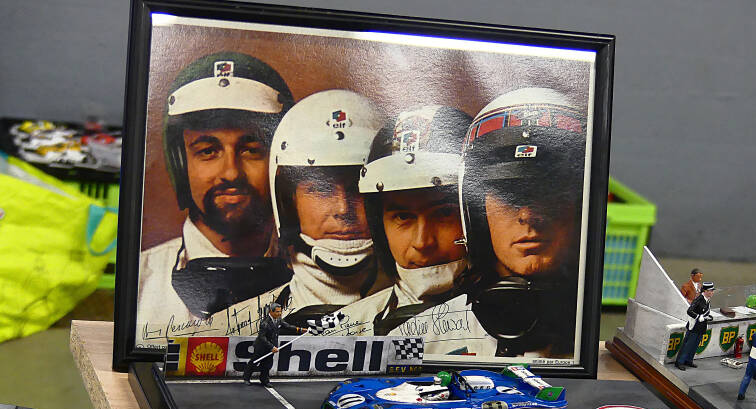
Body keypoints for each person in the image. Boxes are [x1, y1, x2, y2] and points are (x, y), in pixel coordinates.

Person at [137, 52, 294, 343]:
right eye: (208, 151)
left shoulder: (323, 283)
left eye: (252, 150)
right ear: (179, 164)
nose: (231, 173)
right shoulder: (139, 284)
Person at [214, 90, 390, 334]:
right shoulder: (229, 332)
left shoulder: (434, 325)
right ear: (288, 204)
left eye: (358, 188)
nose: (342, 209)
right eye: (321, 189)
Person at [456, 87, 587, 358]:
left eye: (547, 192)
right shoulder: (430, 335)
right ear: (476, 212)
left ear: (581, 204)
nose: (528, 216)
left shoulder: (592, 335)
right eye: (509, 195)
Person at [338, 105, 472, 338]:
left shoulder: (522, 333)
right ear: (379, 227)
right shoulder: (337, 332)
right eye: (403, 217)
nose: (422, 242)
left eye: (443, 213)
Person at [242, 303, 307, 386]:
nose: (279, 313)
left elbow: (288, 326)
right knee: (254, 362)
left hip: (271, 347)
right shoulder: (265, 322)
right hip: (261, 347)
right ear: (271, 312)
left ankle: (264, 380)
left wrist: (300, 329)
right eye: (277, 312)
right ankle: (246, 378)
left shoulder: (278, 320)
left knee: (267, 364)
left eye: (280, 311)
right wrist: (272, 346)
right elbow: (262, 337)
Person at [675, 281, 715, 370]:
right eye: (711, 290)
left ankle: (689, 360)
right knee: (688, 345)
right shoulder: (699, 299)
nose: (712, 292)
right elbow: (689, 311)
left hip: (701, 326)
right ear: (705, 291)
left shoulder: (707, 300)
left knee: (695, 345)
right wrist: (698, 316)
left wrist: (706, 316)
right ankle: (680, 362)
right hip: (694, 326)